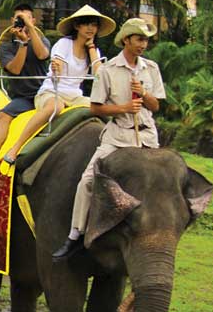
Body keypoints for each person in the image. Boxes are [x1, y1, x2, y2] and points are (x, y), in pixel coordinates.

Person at [52, 18, 165, 259]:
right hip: (118, 136)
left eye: (146, 39)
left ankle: (160, 233)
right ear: (126, 40)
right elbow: (95, 108)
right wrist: (124, 107)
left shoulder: (151, 69)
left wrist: (143, 93)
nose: (143, 44)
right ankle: (75, 235)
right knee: (88, 181)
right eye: (139, 39)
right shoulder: (108, 71)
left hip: (147, 137)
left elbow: (155, 105)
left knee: (164, 185)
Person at [2, 5, 115, 164]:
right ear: (77, 26)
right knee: (55, 107)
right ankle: (16, 148)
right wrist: (56, 66)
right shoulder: (64, 43)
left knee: (104, 108)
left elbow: (99, 75)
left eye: (94, 25)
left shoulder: (94, 51)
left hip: (75, 96)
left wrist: (91, 48)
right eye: (87, 24)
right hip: (52, 91)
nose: (91, 28)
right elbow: (57, 66)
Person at [0, 4, 51, 172]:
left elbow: (43, 55)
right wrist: (23, 44)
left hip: (45, 93)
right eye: (19, 18)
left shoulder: (42, 40)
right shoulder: (5, 47)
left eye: (27, 18)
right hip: (23, 98)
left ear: (33, 20)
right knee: (4, 114)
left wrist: (30, 31)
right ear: (12, 21)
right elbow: (15, 69)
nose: (23, 22)